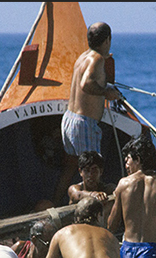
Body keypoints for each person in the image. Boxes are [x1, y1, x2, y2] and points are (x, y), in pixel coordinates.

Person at [53, 22, 122, 206]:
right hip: (84, 124)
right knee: (93, 173)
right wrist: (106, 93)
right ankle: (88, 214)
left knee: (71, 167)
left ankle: (57, 203)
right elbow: (86, 84)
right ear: (107, 40)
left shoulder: (83, 57)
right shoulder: (97, 59)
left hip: (69, 120)